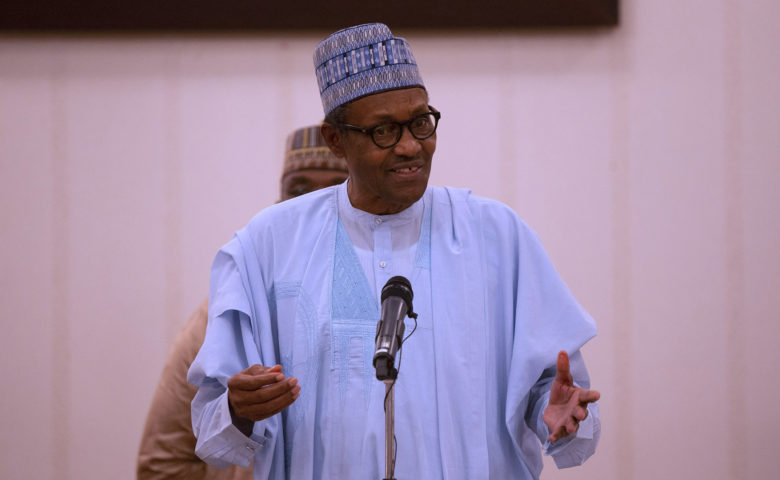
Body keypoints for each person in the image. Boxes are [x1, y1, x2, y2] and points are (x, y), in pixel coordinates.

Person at [189, 23, 601, 479]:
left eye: (421, 123)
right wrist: (240, 408)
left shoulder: (497, 237)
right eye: (384, 130)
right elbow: (212, 431)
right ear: (335, 140)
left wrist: (556, 411)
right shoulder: (265, 248)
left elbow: (557, 393)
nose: (410, 147)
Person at [136, 125, 347, 480]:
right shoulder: (226, 314)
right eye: (299, 191)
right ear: (278, 204)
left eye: (334, 192)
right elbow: (163, 463)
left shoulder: (394, 309)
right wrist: (235, 414)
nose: (312, 208)